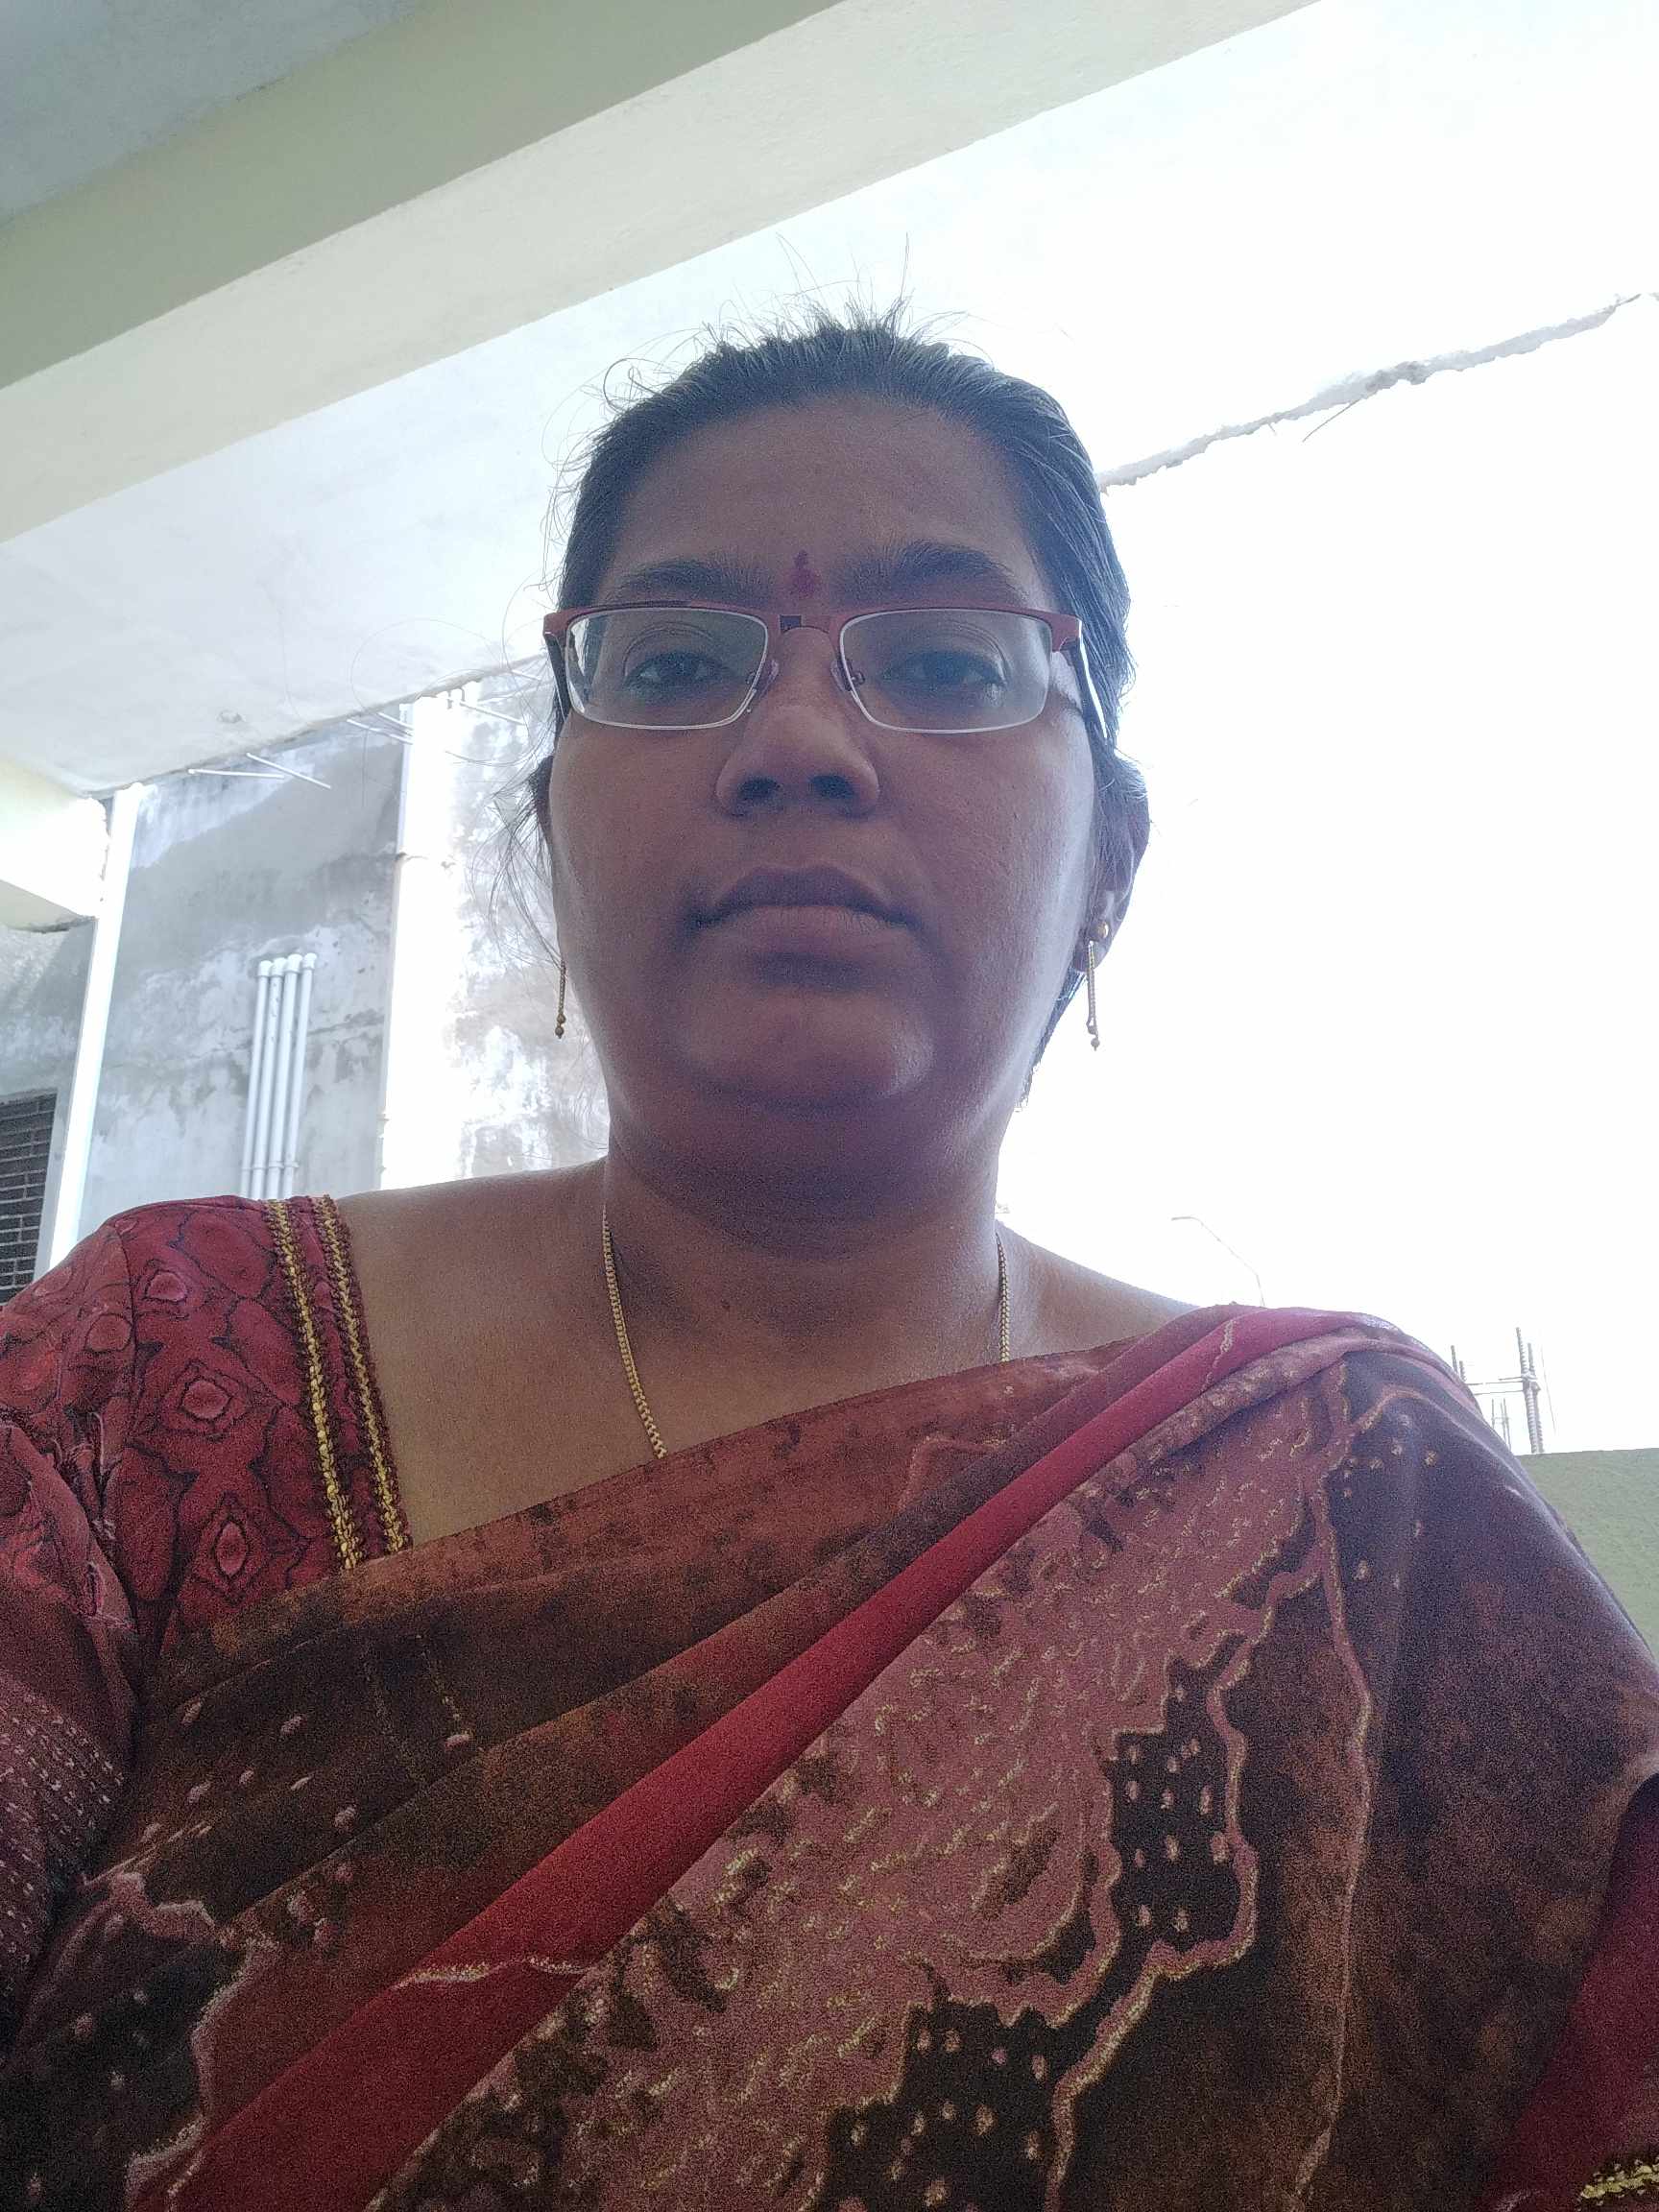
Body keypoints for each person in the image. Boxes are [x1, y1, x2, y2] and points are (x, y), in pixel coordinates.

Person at [3, 306, 1657, 2212]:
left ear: (1110, 861)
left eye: (947, 661)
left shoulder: (1358, 1499)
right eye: (677, 662)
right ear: (550, 836)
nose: (794, 742)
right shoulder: (153, 1373)